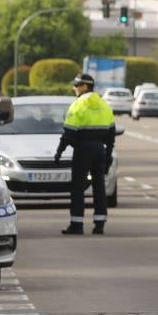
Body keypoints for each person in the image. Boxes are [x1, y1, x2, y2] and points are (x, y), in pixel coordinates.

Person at [54, 73, 115, 235]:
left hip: (82, 149)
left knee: (78, 187)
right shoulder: (104, 105)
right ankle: (100, 223)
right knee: (99, 187)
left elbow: (69, 132)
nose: (74, 88)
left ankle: (76, 224)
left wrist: (60, 152)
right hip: (100, 150)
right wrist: (108, 155)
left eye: (76, 85)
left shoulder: (78, 104)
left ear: (85, 86)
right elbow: (111, 134)